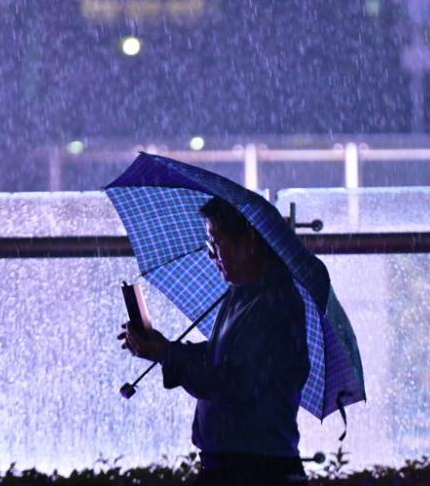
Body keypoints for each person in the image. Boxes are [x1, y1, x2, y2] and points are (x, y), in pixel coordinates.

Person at [118, 196, 310, 485]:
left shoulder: (274, 303)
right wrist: (164, 348)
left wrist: (166, 354)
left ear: (248, 242)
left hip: (256, 470)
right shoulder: (240, 294)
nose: (212, 255)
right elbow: (219, 355)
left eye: (216, 242)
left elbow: (231, 382)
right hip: (228, 465)